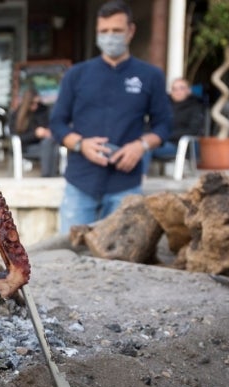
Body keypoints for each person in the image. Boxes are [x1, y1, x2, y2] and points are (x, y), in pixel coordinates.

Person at [49, 0, 172, 234]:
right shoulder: (77, 75)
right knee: (68, 254)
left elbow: (164, 125)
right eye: (104, 31)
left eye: (116, 31)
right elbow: (57, 123)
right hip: (80, 182)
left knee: (121, 263)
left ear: (130, 31)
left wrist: (141, 145)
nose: (110, 37)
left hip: (125, 185)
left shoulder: (150, 76)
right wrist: (80, 144)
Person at [148, 77, 205, 166]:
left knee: (145, 147)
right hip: (160, 141)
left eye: (181, 88)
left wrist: (163, 136)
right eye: (174, 89)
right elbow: (153, 123)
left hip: (180, 144)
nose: (178, 91)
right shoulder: (164, 106)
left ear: (188, 90)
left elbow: (193, 130)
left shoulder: (195, 107)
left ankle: (142, 176)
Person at [9, 87, 60, 177]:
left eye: (37, 103)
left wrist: (48, 132)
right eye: (32, 103)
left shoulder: (43, 111)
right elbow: (16, 138)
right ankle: (48, 176)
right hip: (26, 147)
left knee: (51, 144)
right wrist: (35, 134)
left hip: (45, 144)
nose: (35, 106)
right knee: (49, 147)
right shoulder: (16, 115)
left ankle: (50, 176)